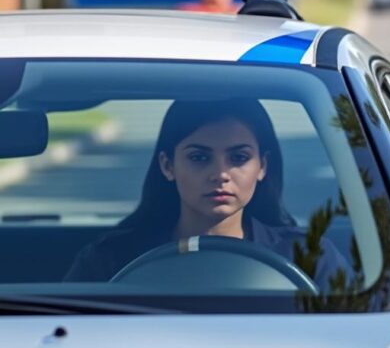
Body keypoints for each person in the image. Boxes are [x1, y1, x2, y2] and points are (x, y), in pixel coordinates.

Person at [65, 99, 348, 290]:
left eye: (238, 157)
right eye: (200, 157)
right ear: (167, 166)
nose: (220, 174)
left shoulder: (311, 259)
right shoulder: (109, 261)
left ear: (262, 166)